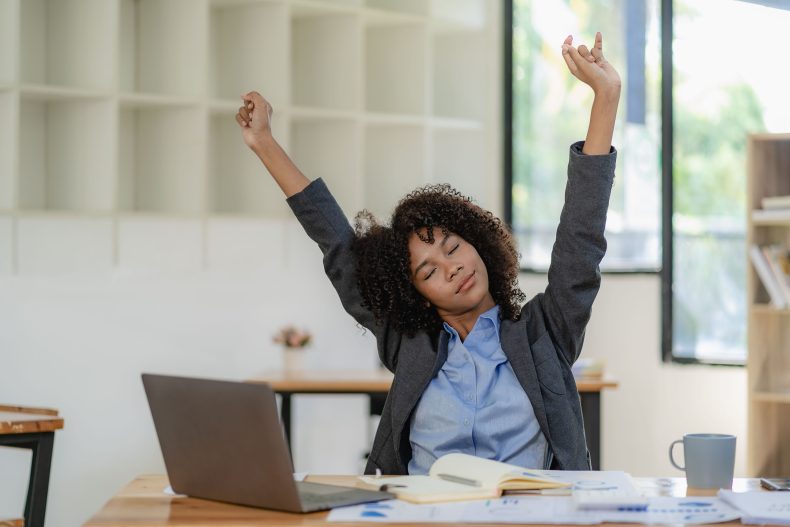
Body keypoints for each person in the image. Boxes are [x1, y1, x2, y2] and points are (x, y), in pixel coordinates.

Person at [236, 33, 620, 475]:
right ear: (416, 292)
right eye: (429, 270)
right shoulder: (411, 345)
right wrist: (264, 142)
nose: (452, 267)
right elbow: (338, 243)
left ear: (479, 244)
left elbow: (580, 239)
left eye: (454, 247)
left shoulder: (544, 334)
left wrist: (605, 98)